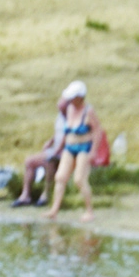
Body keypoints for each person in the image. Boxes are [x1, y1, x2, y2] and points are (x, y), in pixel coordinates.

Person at [45, 81, 102, 223]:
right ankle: (54, 209)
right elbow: (66, 131)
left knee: (79, 179)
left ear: (80, 97)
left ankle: (89, 211)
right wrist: (59, 147)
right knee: (60, 177)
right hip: (69, 147)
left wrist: (93, 151)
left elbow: (97, 131)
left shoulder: (88, 111)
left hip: (83, 147)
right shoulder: (70, 109)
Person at [12, 97, 68, 207]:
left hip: (67, 151)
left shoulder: (73, 117)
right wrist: (51, 141)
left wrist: (58, 149)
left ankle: (46, 194)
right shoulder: (60, 117)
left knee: (49, 160)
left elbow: (68, 135)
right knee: (29, 161)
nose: (61, 111)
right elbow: (59, 133)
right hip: (56, 149)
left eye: (63, 109)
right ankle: (25, 195)